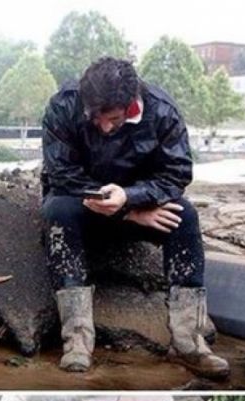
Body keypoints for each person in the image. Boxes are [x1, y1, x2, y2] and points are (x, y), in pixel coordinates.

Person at [40, 57, 229, 379]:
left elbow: (177, 174)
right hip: (83, 204)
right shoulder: (64, 105)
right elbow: (60, 174)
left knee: (185, 216)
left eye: (111, 118)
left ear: (130, 106)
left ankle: (189, 343)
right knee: (57, 211)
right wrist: (128, 213)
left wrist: (132, 198)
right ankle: (77, 341)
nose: (102, 126)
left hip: (139, 200)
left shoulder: (162, 111)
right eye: (94, 117)